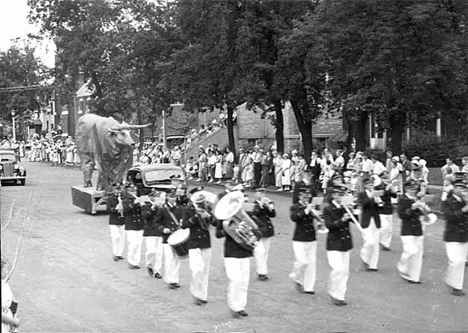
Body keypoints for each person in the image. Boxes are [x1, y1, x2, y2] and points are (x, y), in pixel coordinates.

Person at [215, 192, 262, 318]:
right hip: (231, 252)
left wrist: (253, 235)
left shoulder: (245, 215)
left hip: (245, 252)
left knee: (244, 281)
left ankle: (240, 306)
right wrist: (228, 231)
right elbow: (217, 234)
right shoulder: (224, 219)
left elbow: (258, 228)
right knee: (235, 280)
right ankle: (234, 305)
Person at [182, 187, 218, 305]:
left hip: (205, 242)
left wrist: (208, 216)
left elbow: (216, 223)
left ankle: (202, 295)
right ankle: (195, 292)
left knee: (205, 270)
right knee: (196, 269)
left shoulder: (206, 208)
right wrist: (195, 217)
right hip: (193, 242)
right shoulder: (188, 209)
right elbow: (184, 224)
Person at [322, 184, 354, 306]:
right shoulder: (328, 209)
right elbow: (329, 225)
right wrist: (342, 220)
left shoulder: (345, 207)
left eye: (343, 195)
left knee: (345, 271)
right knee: (338, 268)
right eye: (339, 195)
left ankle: (340, 296)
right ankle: (333, 291)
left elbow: (355, 220)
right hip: (334, 242)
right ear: (334, 195)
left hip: (345, 242)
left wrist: (352, 210)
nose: (341, 197)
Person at [154, 188, 186, 289]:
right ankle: (169, 279)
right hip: (167, 238)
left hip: (177, 236)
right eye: (171, 196)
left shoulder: (180, 209)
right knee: (169, 259)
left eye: (175, 196)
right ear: (167, 197)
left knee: (177, 259)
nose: (174, 198)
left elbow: (183, 221)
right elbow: (156, 223)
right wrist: (163, 229)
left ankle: (174, 280)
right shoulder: (163, 210)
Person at [289, 186, 318, 294]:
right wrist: (307, 210)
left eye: (308, 196)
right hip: (299, 238)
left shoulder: (312, 207)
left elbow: (317, 220)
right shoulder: (295, 207)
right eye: (304, 196)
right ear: (300, 196)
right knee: (302, 261)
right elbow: (294, 218)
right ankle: (296, 277)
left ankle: (308, 286)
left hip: (311, 237)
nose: (306, 198)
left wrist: (318, 217)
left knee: (311, 264)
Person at [441, 179, 468, 296]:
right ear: (454, 188)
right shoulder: (447, 201)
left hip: (464, 235)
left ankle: (457, 287)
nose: (462, 190)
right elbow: (449, 216)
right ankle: (451, 280)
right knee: (455, 261)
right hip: (452, 234)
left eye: (464, 188)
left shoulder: (466, 201)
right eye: (460, 188)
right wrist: (463, 210)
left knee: (461, 261)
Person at [397, 180, 425, 284]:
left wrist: (424, 210)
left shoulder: (416, 198)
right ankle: (402, 265)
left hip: (417, 229)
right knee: (410, 250)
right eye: (411, 189)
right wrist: (412, 208)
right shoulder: (402, 199)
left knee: (417, 254)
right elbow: (401, 215)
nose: (413, 191)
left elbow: (422, 213)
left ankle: (414, 277)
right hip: (407, 229)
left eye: (415, 189)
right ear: (406, 189)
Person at [356, 176, 381, 271]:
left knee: (376, 244)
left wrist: (379, 202)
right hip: (366, 220)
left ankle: (373, 265)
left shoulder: (376, 194)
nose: (371, 185)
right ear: (365, 185)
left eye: (372, 184)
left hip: (376, 220)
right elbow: (362, 205)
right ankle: (365, 258)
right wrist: (369, 197)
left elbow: (381, 207)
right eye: (369, 184)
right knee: (370, 242)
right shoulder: (361, 194)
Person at [251, 189, 276, 281]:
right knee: (260, 252)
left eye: (264, 193)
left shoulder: (265, 204)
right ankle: (261, 272)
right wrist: (260, 204)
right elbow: (253, 214)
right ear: (256, 194)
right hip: (258, 231)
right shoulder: (253, 204)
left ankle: (263, 271)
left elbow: (272, 215)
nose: (262, 195)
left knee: (265, 252)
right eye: (260, 193)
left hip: (267, 230)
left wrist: (270, 207)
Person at [141, 189, 164, 279]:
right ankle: (149, 263)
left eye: (156, 196)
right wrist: (152, 208)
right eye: (153, 196)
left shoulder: (161, 207)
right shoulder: (145, 206)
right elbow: (145, 216)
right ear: (149, 197)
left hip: (159, 231)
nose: (155, 198)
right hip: (150, 230)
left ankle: (157, 271)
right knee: (151, 251)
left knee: (159, 253)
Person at [122, 185, 145, 269]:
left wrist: (143, 205)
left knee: (138, 244)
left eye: (134, 191)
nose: (133, 193)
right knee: (132, 244)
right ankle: (131, 261)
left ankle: (136, 262)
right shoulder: (125, 201)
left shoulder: (140, 200)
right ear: (127, 192)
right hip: (130, 224)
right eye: (131, 191)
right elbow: (125, 210)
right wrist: (134, 204)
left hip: (139, 224)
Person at [376, 174, 397, 251]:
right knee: (383, 227)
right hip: (381, 210)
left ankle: (386, 244)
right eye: (385, 179)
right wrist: (386, 189)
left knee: (389, 229)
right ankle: (378, 241)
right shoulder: (377, 187)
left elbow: (394, 196)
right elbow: (380, 196)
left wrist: (393, 191)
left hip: (389, 209)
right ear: (381, 179)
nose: (386, 181)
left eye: (387, 179)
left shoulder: (389, 187)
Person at [107, 182, 126, 262]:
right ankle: (115, 253)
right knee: (115, 236)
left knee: (122, 238)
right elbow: (108, 209)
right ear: (113, 189)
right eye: (116, 189)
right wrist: (115, 209)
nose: (118, 191)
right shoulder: (110, 198)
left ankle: (119, 254)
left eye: (119, 189)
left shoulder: (124, 197)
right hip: (114, 220)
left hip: (122, 220)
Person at [2, 258, 20, 333]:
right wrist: (14, 322)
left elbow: (13, 303)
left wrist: (14, 325)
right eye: (6, 269)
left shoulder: (5, 286)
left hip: (8, 326)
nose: (8, 272)